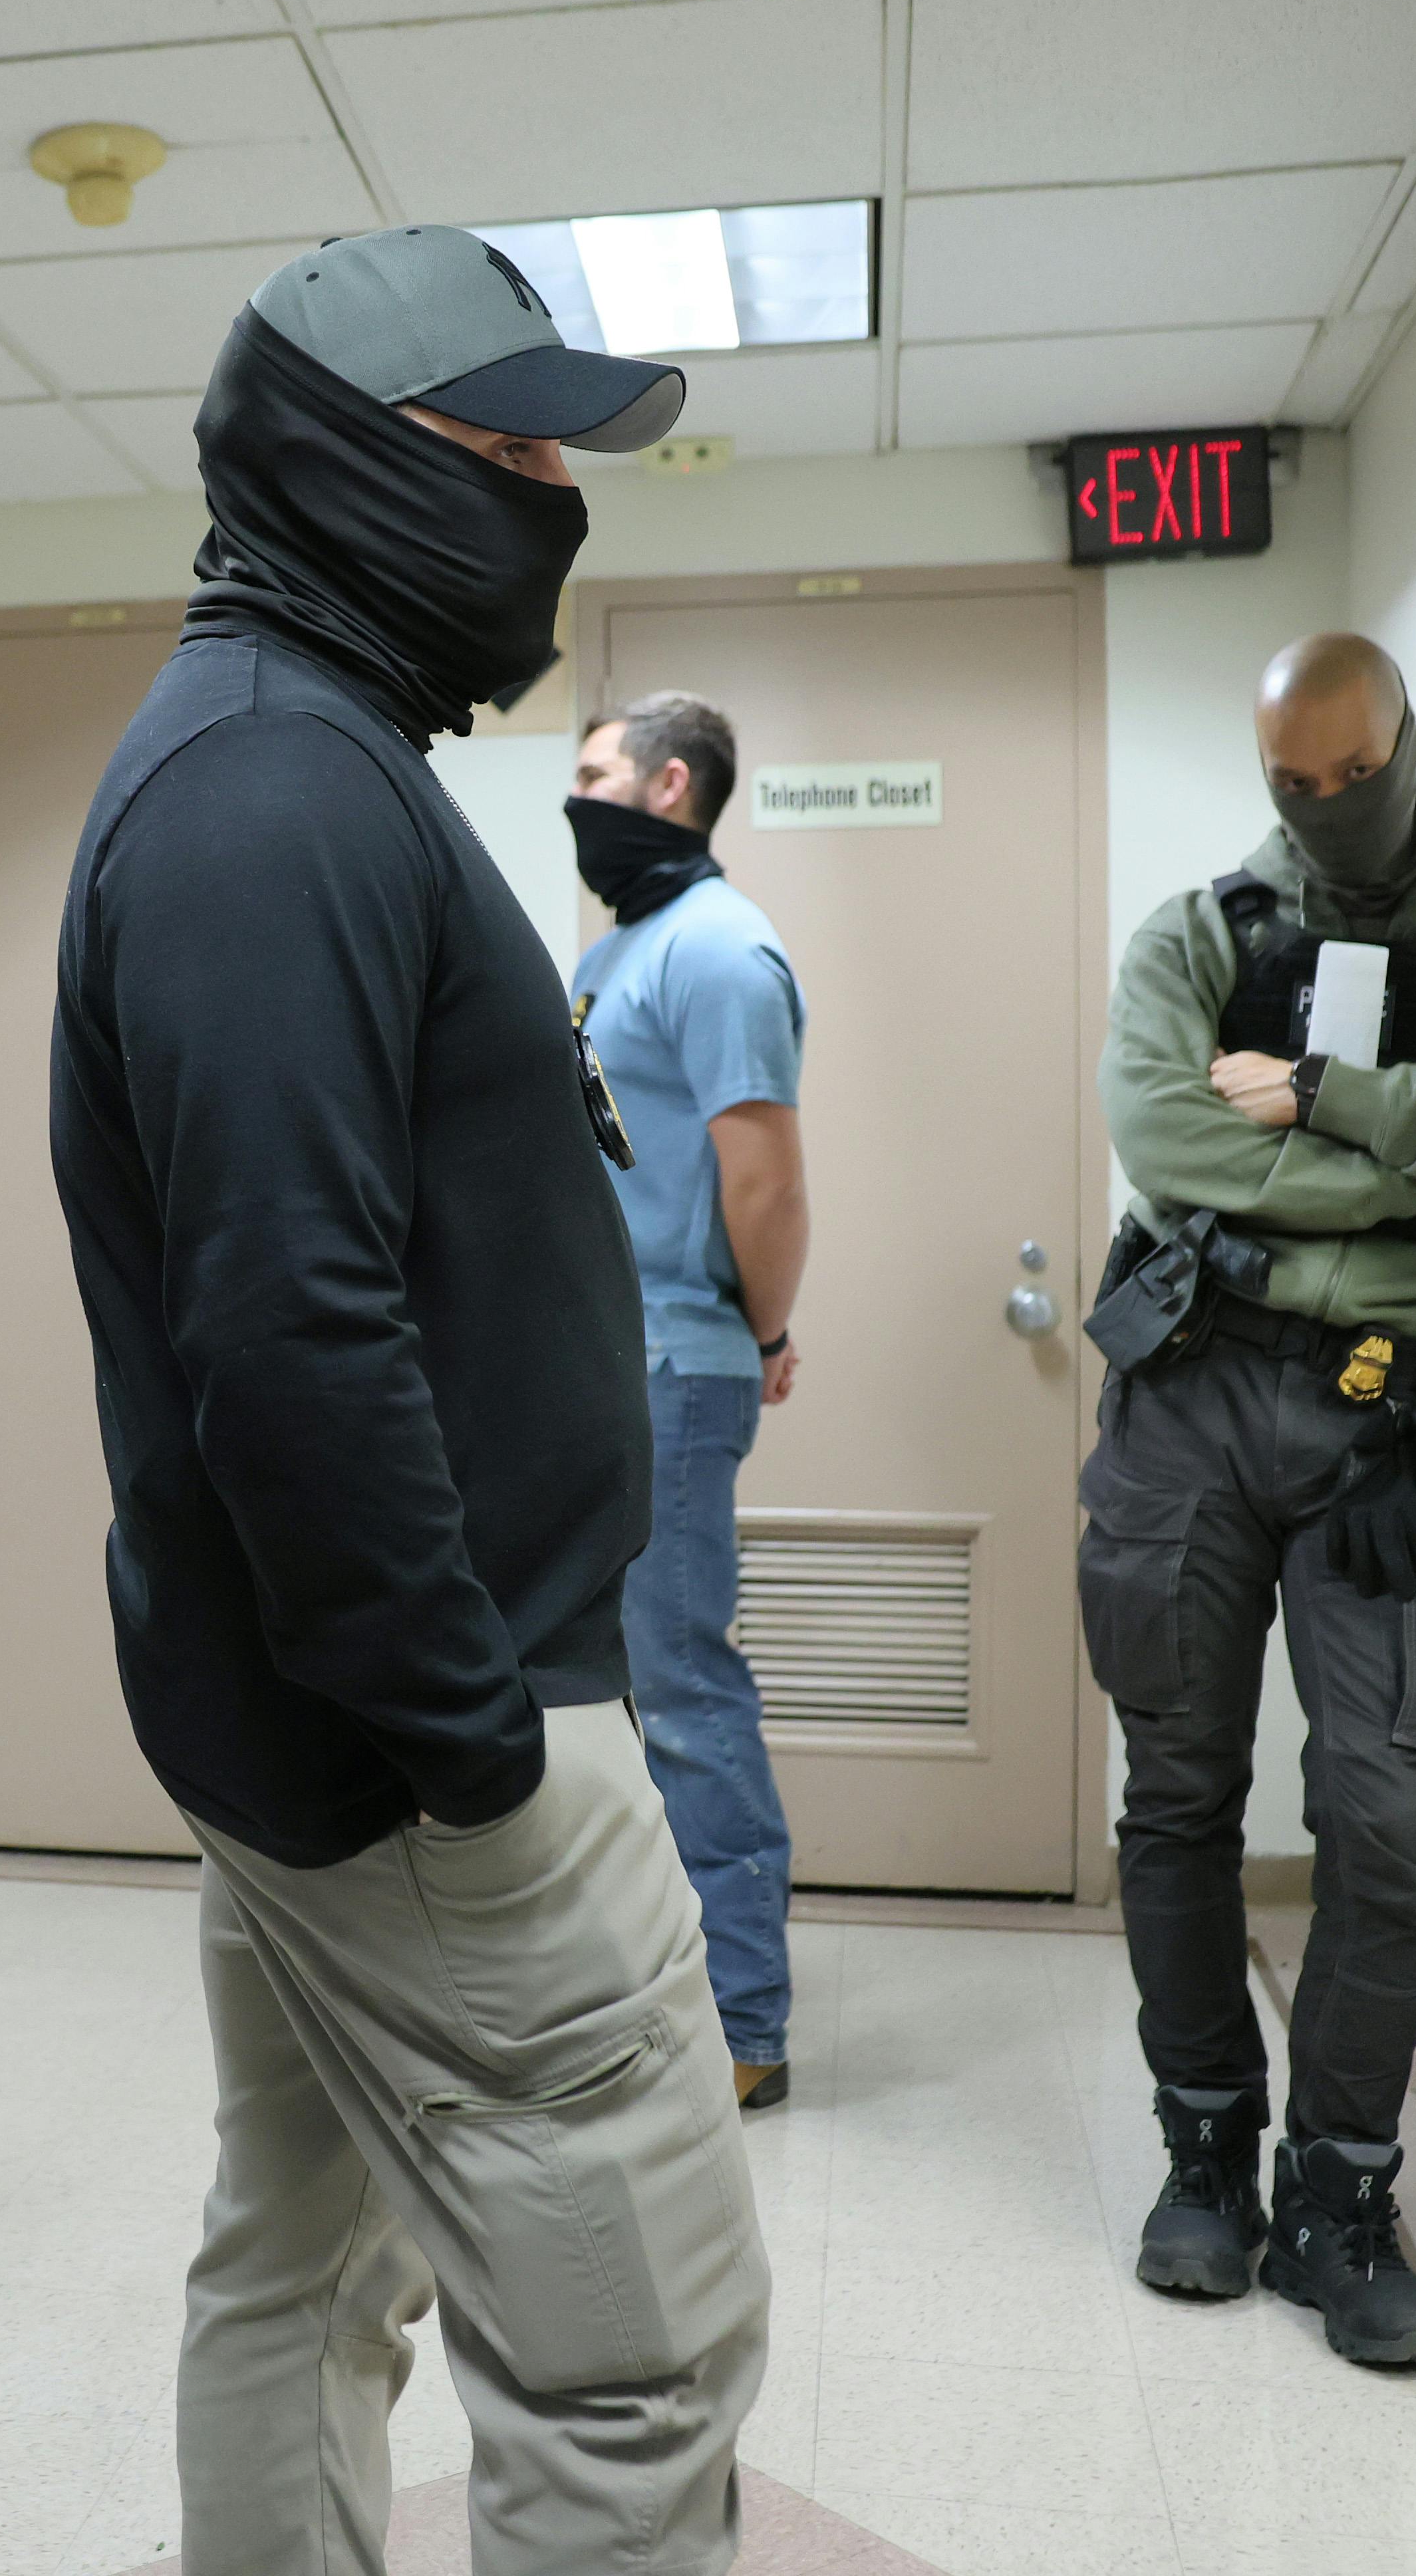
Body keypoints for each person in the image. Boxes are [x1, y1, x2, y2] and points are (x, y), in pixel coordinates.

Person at [50, 227, 768, 2575]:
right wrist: (474, 1751)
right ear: (356, 466)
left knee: (306, 2269)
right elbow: (289, 1333)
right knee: (627, 2367)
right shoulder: (274, 798)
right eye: (515, 444)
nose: (560, 492)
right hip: (427, 1771)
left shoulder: (313, 757)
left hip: (326, 1734)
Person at [1081, 630, 1416, 2368]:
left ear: (1408, 740)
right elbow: (1170, 1143)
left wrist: (1323, 1096)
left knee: (1386, 1818)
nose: (1328, 812)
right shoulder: (1196, 936)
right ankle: (1206, 2160)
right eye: (1291, 787)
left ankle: (1343, 2195)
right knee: (1179, 1791)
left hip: (1394, 1424)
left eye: (1353, 775)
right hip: (1189, 1397)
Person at [565, 690, 809, 2114]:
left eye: (595, 774)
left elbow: (764, 1181)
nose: (579, 801)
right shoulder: (614, 955)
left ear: (670, 785)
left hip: (675, 1369)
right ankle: (652, 1990)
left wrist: (764, 1327)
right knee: (616, 1701)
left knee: (684, 1692)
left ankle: (746, 2020)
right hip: (606, 1363)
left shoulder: (722, 950)